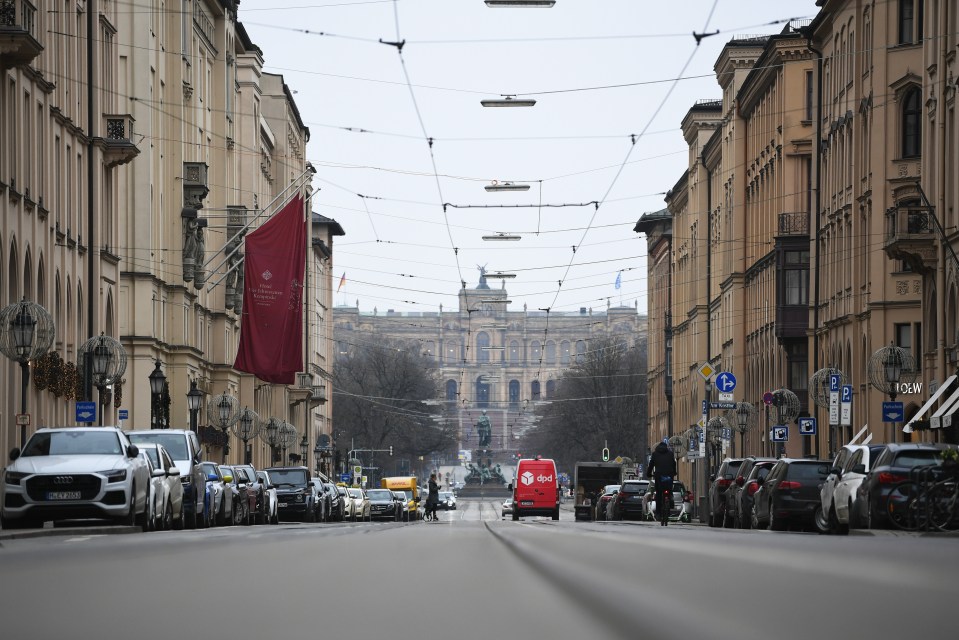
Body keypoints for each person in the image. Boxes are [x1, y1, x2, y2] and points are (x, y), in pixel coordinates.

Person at [647, 439, 677, 526]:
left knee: (659, 494)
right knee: (669, 491)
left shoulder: (655, 454)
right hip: (669, 476)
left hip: (659, 476)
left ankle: (659, 513)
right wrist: (674, 472)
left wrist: (648, 473)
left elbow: (651, 465)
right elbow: (673, 464)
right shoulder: (670, 454)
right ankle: (670, 502)